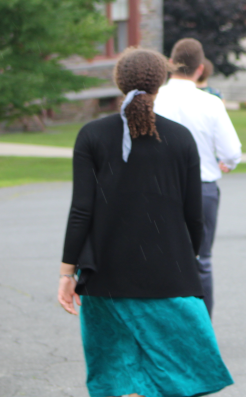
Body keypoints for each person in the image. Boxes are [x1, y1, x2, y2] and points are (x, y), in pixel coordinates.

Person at [58, 48, 233, 397]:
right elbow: (193, 215)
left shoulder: (91, 135)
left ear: (118, 81)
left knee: (118, 372)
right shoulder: (181, 138)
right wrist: (191, 257)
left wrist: (67, 273)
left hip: (104, 274)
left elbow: (81, 210)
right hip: (168, 273)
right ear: (162, 82)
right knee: (175, 370)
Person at [155, 38, 243, 317]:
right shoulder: (211, 103)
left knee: (162, 259)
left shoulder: (155, 99)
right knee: (201, 260)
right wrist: (226, 163)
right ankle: (202, 326)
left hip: (160, 188)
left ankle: (166, 324)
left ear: (170, 64)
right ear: (200, 68)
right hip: (201, 187)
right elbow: (232, 151)